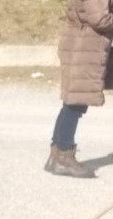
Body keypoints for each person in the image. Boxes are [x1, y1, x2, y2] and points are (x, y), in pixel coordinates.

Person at [48, 0, 113, 178]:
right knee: (75, 104)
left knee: (72, 102)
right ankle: (63, 155)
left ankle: (56, 154)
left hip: (82, 46)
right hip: (85, 49)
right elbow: (100, 19)